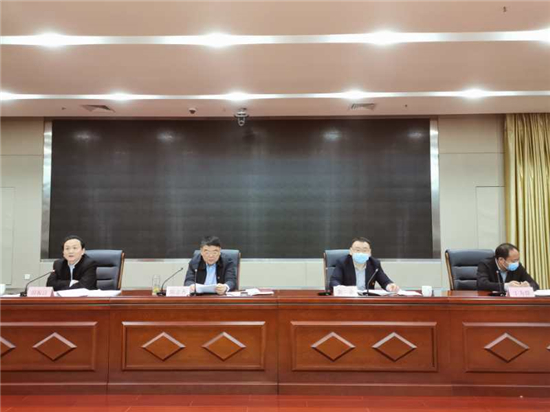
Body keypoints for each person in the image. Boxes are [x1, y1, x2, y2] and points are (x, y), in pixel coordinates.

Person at [329, 237, 399, 292]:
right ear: (351, 251)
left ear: (370, 252)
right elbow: (334, 281)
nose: (361, 253)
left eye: (364, 250)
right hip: (348, 299)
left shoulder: (374, 263)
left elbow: (385, 282)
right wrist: (341, 288)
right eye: (357, 250)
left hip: (367, 300)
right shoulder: (343, 262)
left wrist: (390, 286)